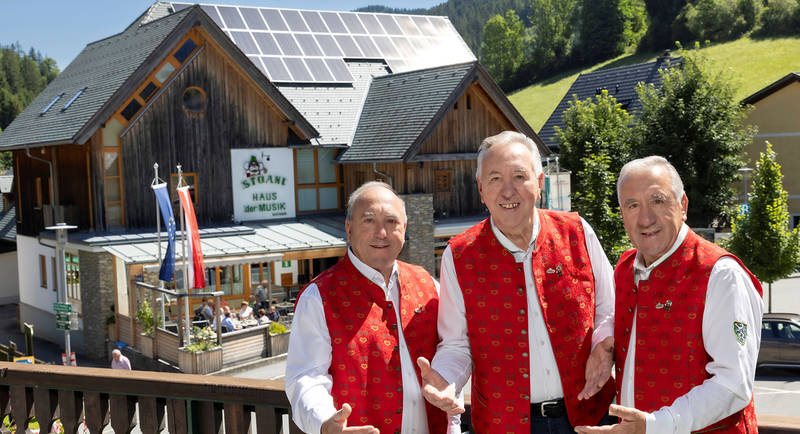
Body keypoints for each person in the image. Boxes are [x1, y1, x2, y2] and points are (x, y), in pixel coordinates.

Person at [418, 131, 616, 433]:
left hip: (592, 415)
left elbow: (610, 308)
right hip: (505, 423)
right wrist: (446, 381)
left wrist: (604, 346)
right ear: (481, 189)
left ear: (539, 182)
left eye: (519, 176)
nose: (507, 191)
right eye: (495, 179)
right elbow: (457, 344)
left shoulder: (576, 231)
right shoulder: (459, 255)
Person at [575, 156, 764, 434]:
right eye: (633, 205)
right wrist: (605, 342)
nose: (645, 218)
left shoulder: (721, 275)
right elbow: (622, 321)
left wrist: (654, 425)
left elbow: (733, 385)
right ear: (622, 213)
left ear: (683, 205)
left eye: (658, 201)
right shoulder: (626, 268)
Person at [285, 181, 458, 434]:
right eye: (368, 221)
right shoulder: (318, 296)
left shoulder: (428, 284)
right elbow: (306, 377)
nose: (381, 233)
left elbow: (453, 346)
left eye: (391, 222)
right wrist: (324, 422)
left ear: (404, 228)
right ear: (348, 228)